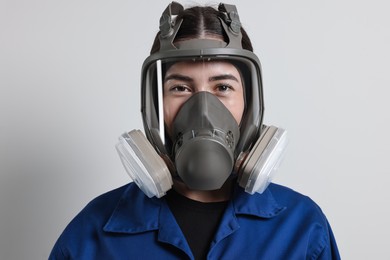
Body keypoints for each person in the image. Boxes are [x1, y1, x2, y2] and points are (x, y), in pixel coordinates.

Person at [49, 2, 340, 259]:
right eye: (180, 87)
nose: (202, 108)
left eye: (223, 87)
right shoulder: (93, 233)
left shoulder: (301, 229)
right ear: (154, 105)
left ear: (250, 104)